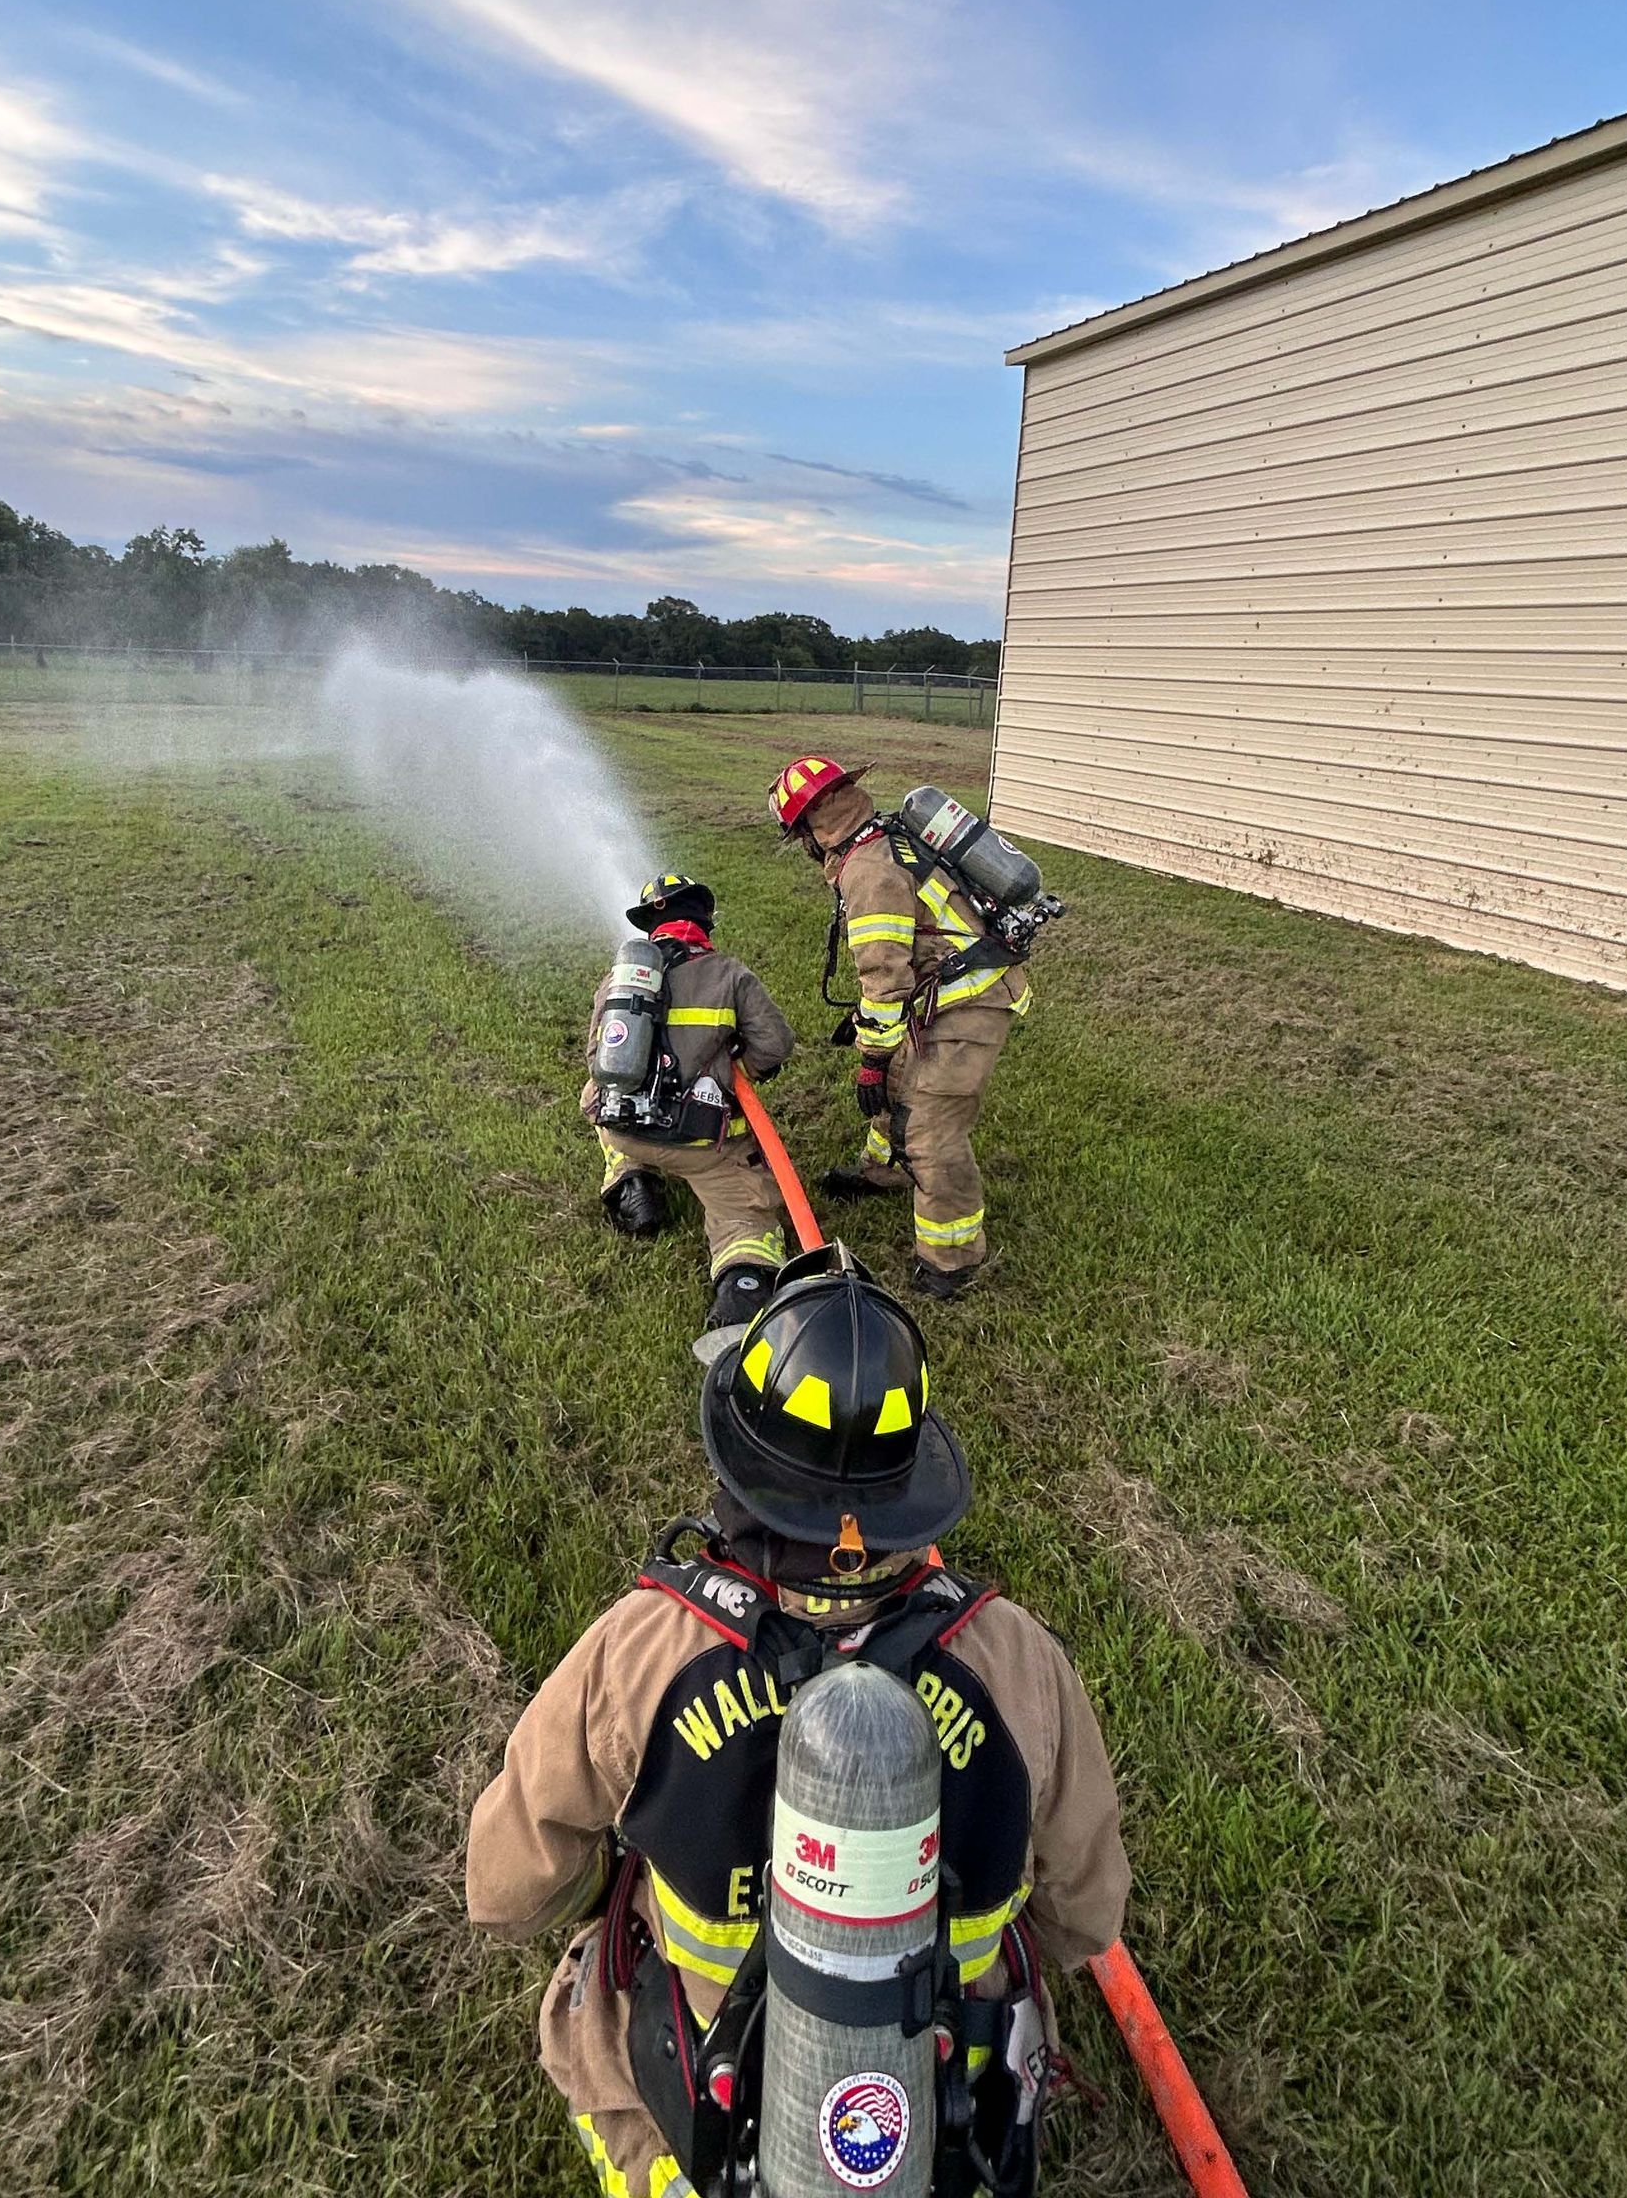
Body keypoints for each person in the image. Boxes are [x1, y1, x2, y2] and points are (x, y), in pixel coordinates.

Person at [466, 1245, 1130, 2198]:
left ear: (742, 1474)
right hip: (945, 2130)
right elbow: (1083, 1914)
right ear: (909, 1494)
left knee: (585, 1996)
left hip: (702, 2121)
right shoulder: (1017, 1658)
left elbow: (505, 1889)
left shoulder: (644, 1650)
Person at [766, 757, 1031, 1299]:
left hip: (972, 1001)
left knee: (932, 1129)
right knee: (896, 1089)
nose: (804, 848)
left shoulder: (868, 870)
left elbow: (884, 980)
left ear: (816, 823)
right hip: (939, 991)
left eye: (800, 835)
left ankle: (952, 1259)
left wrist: (871, 1057)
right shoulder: (881, 837)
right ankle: (883, 1169)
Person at [588, 872, 797, 1332]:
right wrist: (738, 1068)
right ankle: (742, 1291)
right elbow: (776, 1046)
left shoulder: (618, 982)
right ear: (705, 921)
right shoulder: (730, 974)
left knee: (594, 1095)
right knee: (745, 1215)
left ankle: (630, 1181)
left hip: (627, 1132)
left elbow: (595, 1058)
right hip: (702, 1144)